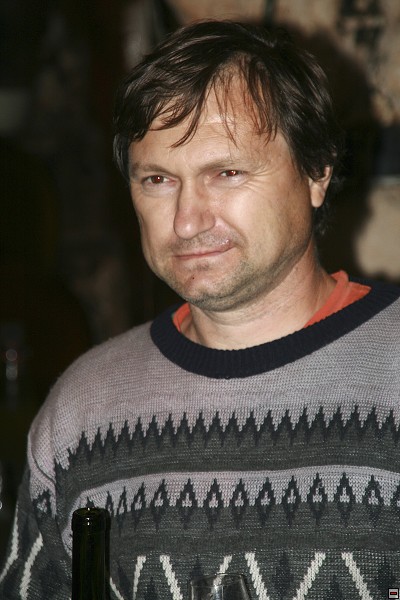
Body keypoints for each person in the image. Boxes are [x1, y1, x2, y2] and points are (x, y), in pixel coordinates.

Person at [1, 19, 399, 600]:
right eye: (158, 180)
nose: (187, 221)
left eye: (227, 173)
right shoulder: (80, 414)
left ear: (317, 172)